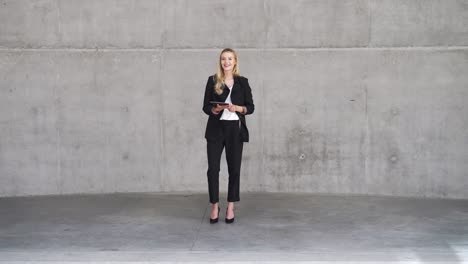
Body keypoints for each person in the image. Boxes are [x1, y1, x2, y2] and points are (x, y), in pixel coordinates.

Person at [202, 48, 254, 224]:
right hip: (216, 128)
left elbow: (250, 107)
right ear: (220, 62)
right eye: (224, 59)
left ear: (235, 61)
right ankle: (215, 205)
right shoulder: (213, 80)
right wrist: (215, 109)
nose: (226, 62)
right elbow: (205, 107)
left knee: (234, 169)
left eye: (230, 59)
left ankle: (230, 206)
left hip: (235, 129)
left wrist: (238, 108)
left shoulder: (243, 82)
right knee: (213, 169)